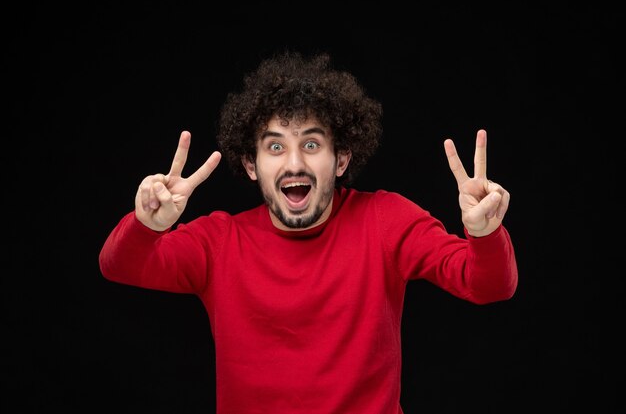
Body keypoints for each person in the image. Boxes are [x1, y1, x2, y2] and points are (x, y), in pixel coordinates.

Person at [99, 51, 518, 414]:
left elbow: (489, 285)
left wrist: (483, 233)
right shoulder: (219, 242)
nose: (294, 164)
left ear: (341, 159)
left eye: (312, 144)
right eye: (276, 146)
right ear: (251, 165)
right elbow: (118, 265)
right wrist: (147, 225)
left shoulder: (386, 220)